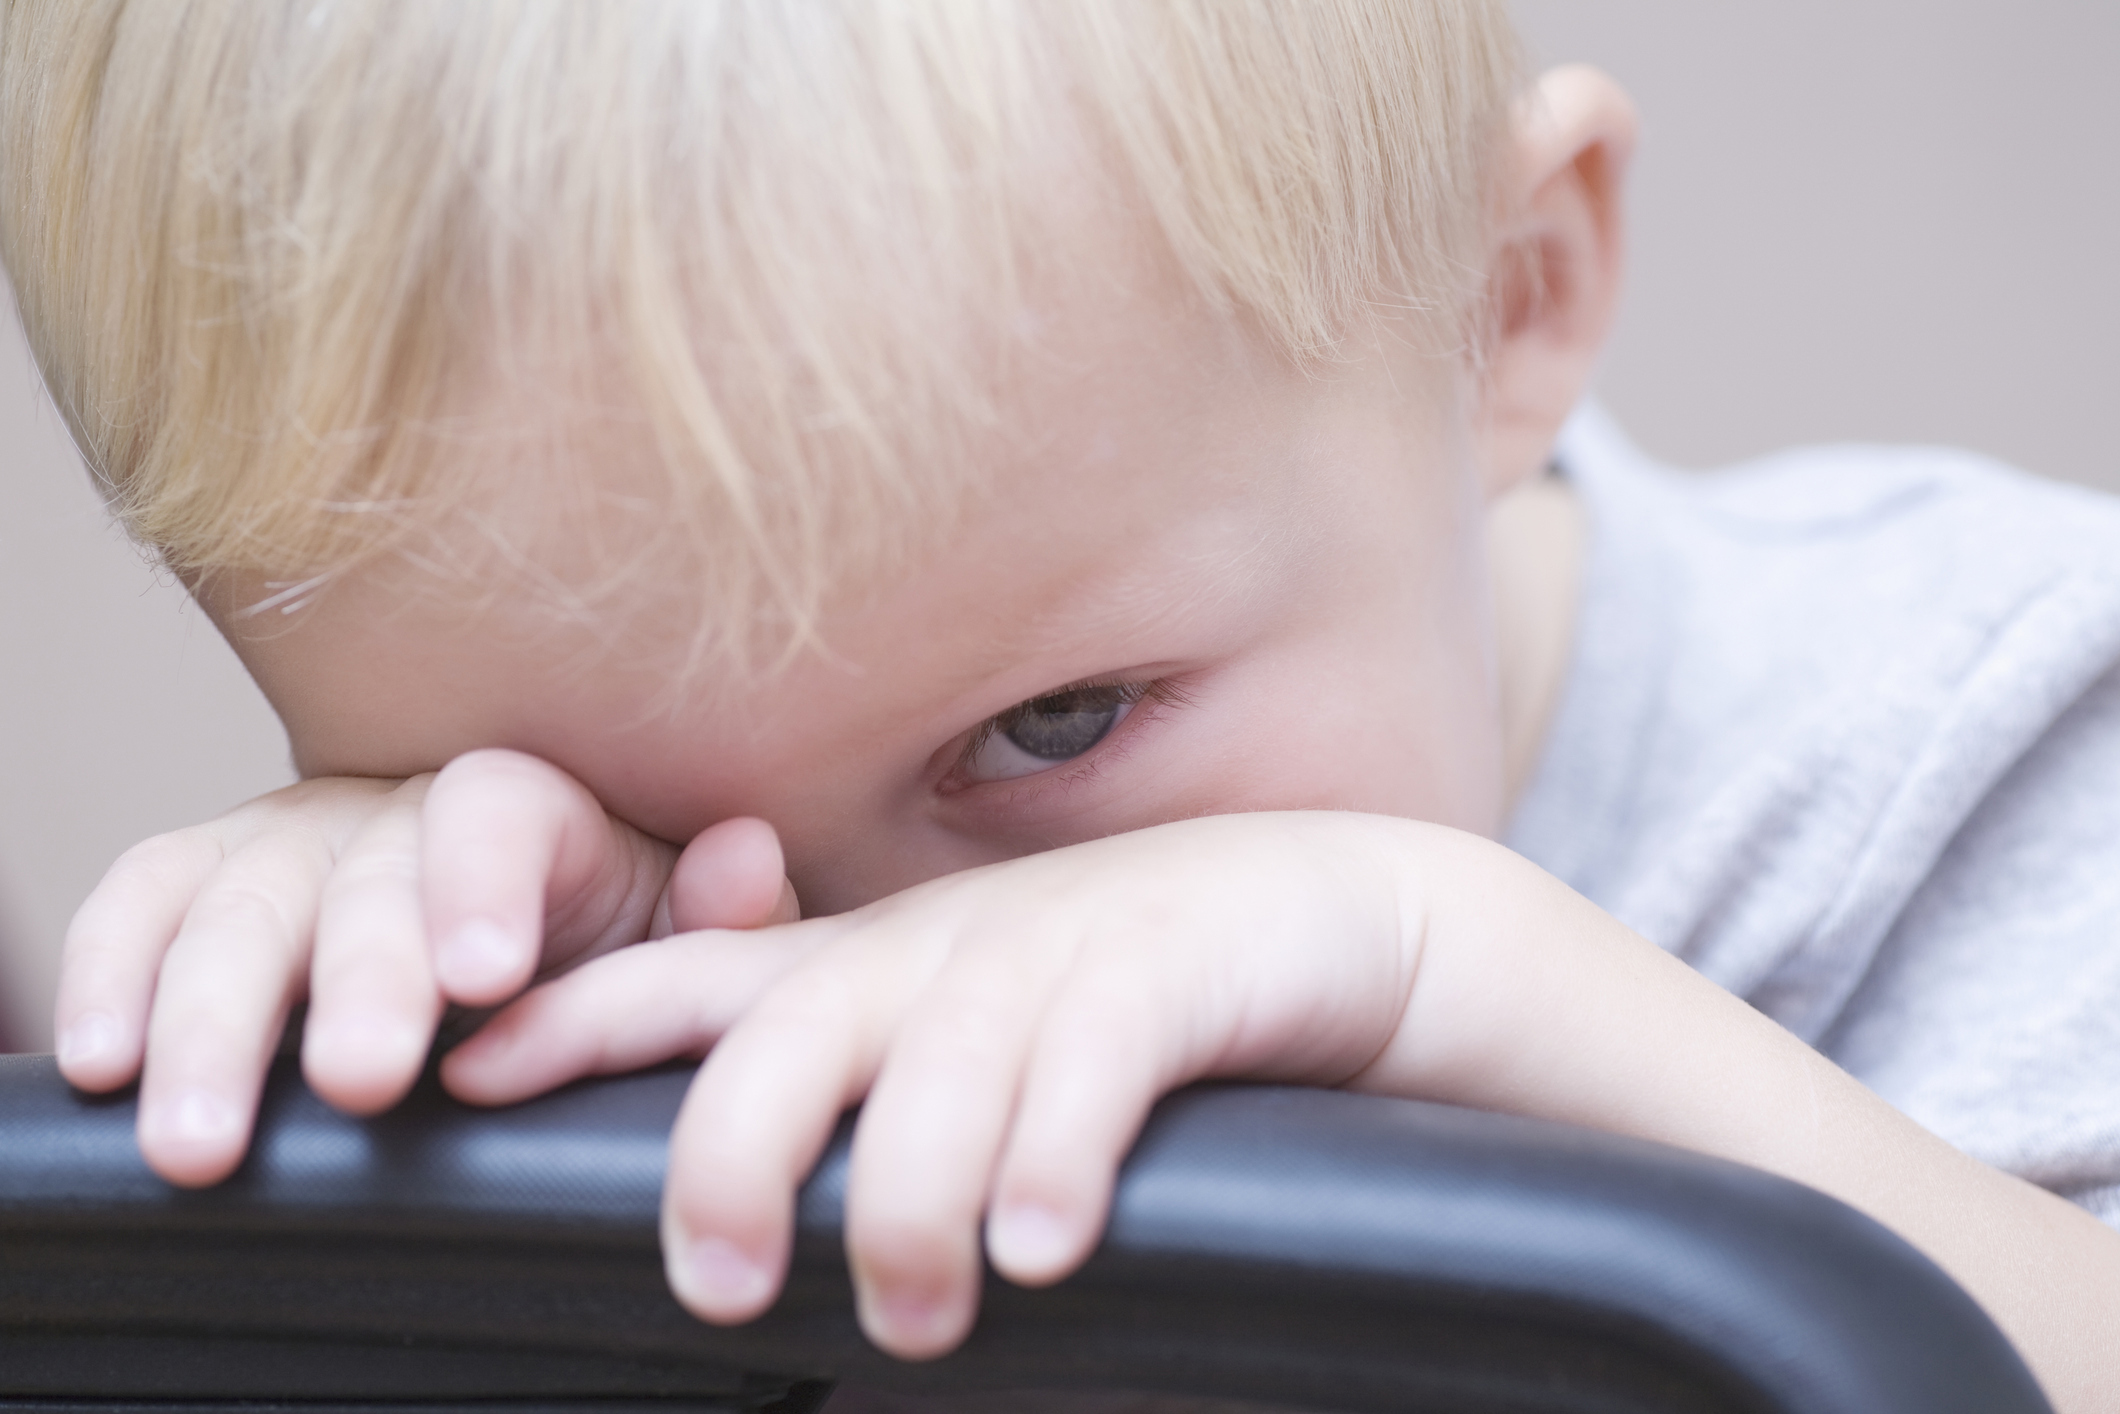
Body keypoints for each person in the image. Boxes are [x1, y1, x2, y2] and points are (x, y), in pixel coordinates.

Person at [4, 2, 2117, 1407]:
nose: (843, 967)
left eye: (1054, 726)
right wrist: (366, 1149)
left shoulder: (1981, 736)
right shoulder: (501, 984)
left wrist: (1455, 980)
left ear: (1507, 308)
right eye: (589, 802)